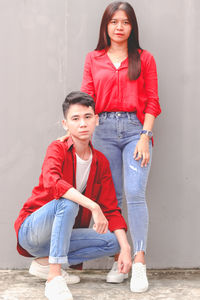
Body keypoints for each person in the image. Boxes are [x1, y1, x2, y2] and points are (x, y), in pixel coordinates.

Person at [14, 91, 132, 300]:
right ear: (65, 124)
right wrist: (94, 207)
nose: (83, 124)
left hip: (60, 237)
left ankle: (46, 263)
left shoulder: (100, 162)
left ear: (96, 120)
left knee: (113, 241)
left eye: (87, 117)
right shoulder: (57, 148)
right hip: (32, 232)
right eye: (75, 119)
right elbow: (53, 184)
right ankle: (54, 277)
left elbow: (111, 208)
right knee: (68, 203)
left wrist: (124, 249)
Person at [81, 1, 161, 293]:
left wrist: (144, 135)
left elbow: (152, 101)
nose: (119, 27)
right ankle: (120, 259)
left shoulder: (145, 58)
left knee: (135, 192)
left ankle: (138, 262)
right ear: (106, 26)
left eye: (125, 22)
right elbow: (87, 97)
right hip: (102, 133)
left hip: (134, 131)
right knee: (110, 197)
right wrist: (80, 133)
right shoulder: (94, 58)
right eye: (113, 21)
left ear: (132, 27)